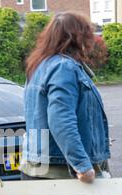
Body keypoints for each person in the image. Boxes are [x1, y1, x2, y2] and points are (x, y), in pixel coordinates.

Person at [20, 11, 111, 183]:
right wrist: (82, 165)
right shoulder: (64, 68)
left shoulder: (39, 65)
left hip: (38, 166)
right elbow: (61, 120)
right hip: (60, 172)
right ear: (76, 37)